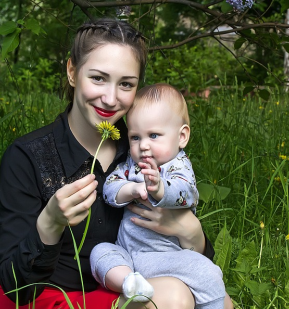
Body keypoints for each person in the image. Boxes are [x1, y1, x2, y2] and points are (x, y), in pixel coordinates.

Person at [0, 18, 231, 309]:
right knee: (173, 297)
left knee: (221, 299)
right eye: (98, 78)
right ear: (72, 71)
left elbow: (188, 256)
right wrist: (49, 222)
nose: (110, 99)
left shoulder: (141, 149)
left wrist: (192, 232)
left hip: (118, 285)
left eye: (125, 84)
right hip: (39, 296)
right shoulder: (28, 156)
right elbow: (16, 288)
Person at [90, 83, 227, 309]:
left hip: (164, 255)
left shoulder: (178, 166)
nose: (143, 145)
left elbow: (186, 193)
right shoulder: (131, 165)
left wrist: (160, 188)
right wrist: (131, 190)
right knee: (101, 253)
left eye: (154, 135)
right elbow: (109, 187)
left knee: (204, 270)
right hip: (127, 252)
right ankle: (130, 283)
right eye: (135, 137)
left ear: (181, 137)